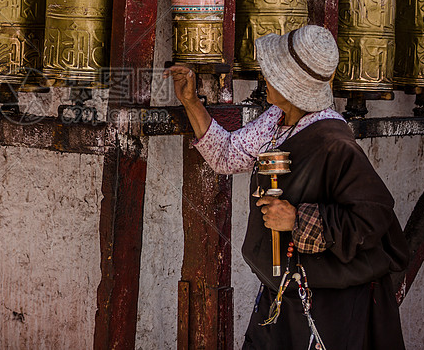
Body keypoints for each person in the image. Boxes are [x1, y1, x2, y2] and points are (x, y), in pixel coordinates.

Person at [164, 25, 409, 350]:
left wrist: (297, 220)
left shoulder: (335, 144)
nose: (266, 76)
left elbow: (373, 217)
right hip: (285, 290)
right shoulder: (278, 120)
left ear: (290, 85)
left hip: (328, 301)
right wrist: (190, 101)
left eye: (273, 72)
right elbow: (226, 156)